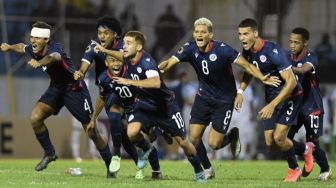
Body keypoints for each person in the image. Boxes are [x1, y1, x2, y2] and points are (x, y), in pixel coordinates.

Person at [159, 17, 281, 180]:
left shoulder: (223, 50)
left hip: (224, 101)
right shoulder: (189, 48)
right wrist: (161, 67)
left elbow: (246, 65)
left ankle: (231, 136)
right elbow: (170, 62)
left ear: (211, 35)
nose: (199, 35)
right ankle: (208, 168)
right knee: (193, 138)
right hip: (203, 98)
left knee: (214, 144)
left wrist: (262, 77)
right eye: (196, 32)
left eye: (203, 32)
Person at [0, 21, 114, 178]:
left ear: (46, 40)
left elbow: (53, 58)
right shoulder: (33, 48)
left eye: (37, 38)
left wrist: (39, 63)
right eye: (32, 37)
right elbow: (22, 46)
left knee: (91, 131)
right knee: (35, 118)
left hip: (74, 89)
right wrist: (9, 47)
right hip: (56, 88)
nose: (32, 41)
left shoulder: (56, 49)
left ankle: (110, 166)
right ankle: (50, 153)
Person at [95, 30, 207, 182]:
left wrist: (130, 82)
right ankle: (147, 149)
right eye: (124, 43)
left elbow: (155, 82)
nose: (124, 47)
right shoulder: (128, 57)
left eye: (129, 43)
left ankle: (199, 170)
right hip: (144, 105)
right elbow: (120, 56)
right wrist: (104, 50)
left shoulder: (147, 62)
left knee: (183, 142)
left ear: (139, 47)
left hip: (165, 107)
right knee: (132, 132)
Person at [236, 18, 313, 182]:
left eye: (246, 34)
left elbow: (291, 82)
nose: (242, 38)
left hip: (291, 96)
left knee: (279, 137)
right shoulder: (248, 51)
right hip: (272, 97)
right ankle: (305, 149)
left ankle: (294, 169)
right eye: (240, 34)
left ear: (255, 34)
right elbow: (249, 71)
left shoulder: (272, 51)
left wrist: (272, 105)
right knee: (270, 141)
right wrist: (241, 90)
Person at [87, 53, 164, 179]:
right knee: (116, 121)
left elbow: (149, 87)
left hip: (139, 106)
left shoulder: (131, 72)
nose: (116, 63)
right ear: (106, 63)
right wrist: (94, 118)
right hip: (122, 106)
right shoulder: (103, 78)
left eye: (118, 60)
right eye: (112, 60)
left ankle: (156, 170)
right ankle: (117, 155)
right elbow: (102, 97)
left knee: (143, 140)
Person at [73, 15, 124, 173]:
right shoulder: (94, 47)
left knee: (139, 130)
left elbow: (126, 56)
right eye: (99, 33)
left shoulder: (124, 45)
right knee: (117, 122)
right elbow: (85, 63)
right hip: (109, 92)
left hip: (133, 89)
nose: (101, 36)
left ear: (115, 34)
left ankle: (157, 131)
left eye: (106, 33)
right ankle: (115, 157)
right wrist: (81, 72)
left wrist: (105, 50)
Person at [287, 27, 332, 181]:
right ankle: (295, 168)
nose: (292, 45)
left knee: (313, 141)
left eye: (296, 42)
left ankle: (325, 169)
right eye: (291, 42)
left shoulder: (311, 57)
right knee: (284, 138)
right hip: (296, 106)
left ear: (305, 43)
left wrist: (284, 69)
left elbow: (303, 70)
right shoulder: (287, 57)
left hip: (312, 107)